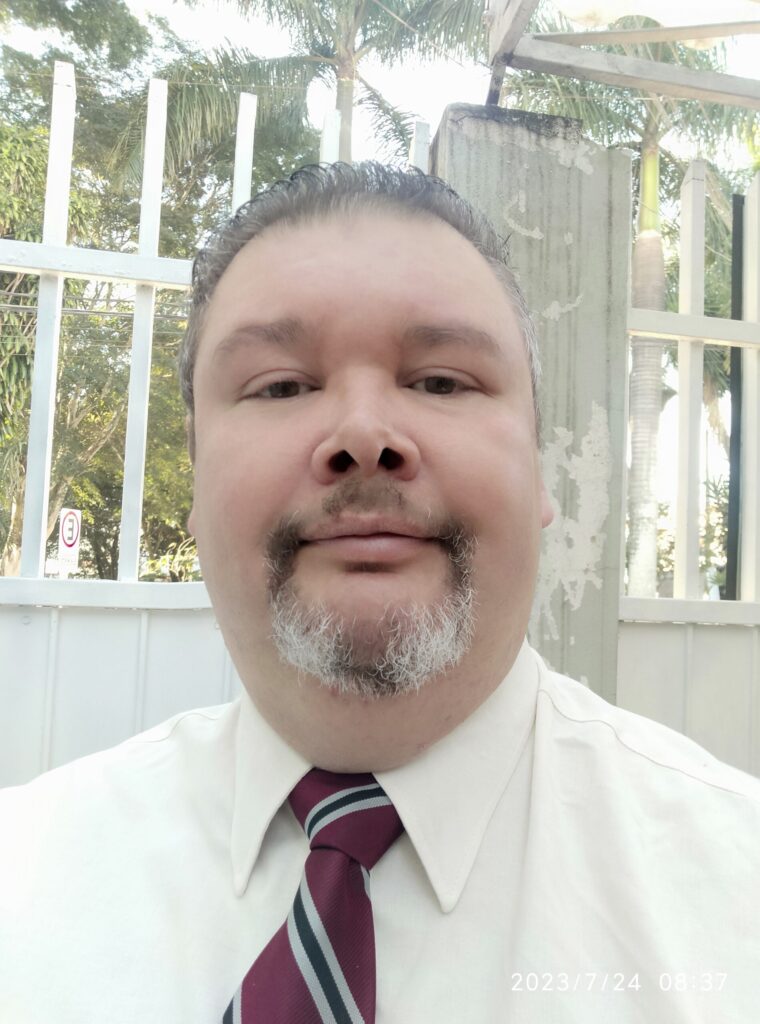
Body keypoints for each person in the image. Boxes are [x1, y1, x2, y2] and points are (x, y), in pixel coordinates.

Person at [1, 162, 759, 1023]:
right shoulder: (25, 882)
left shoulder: (734, 901)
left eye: (440, 381)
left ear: (541, 471)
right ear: (198, 479)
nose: (363, 435)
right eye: (281, 386)